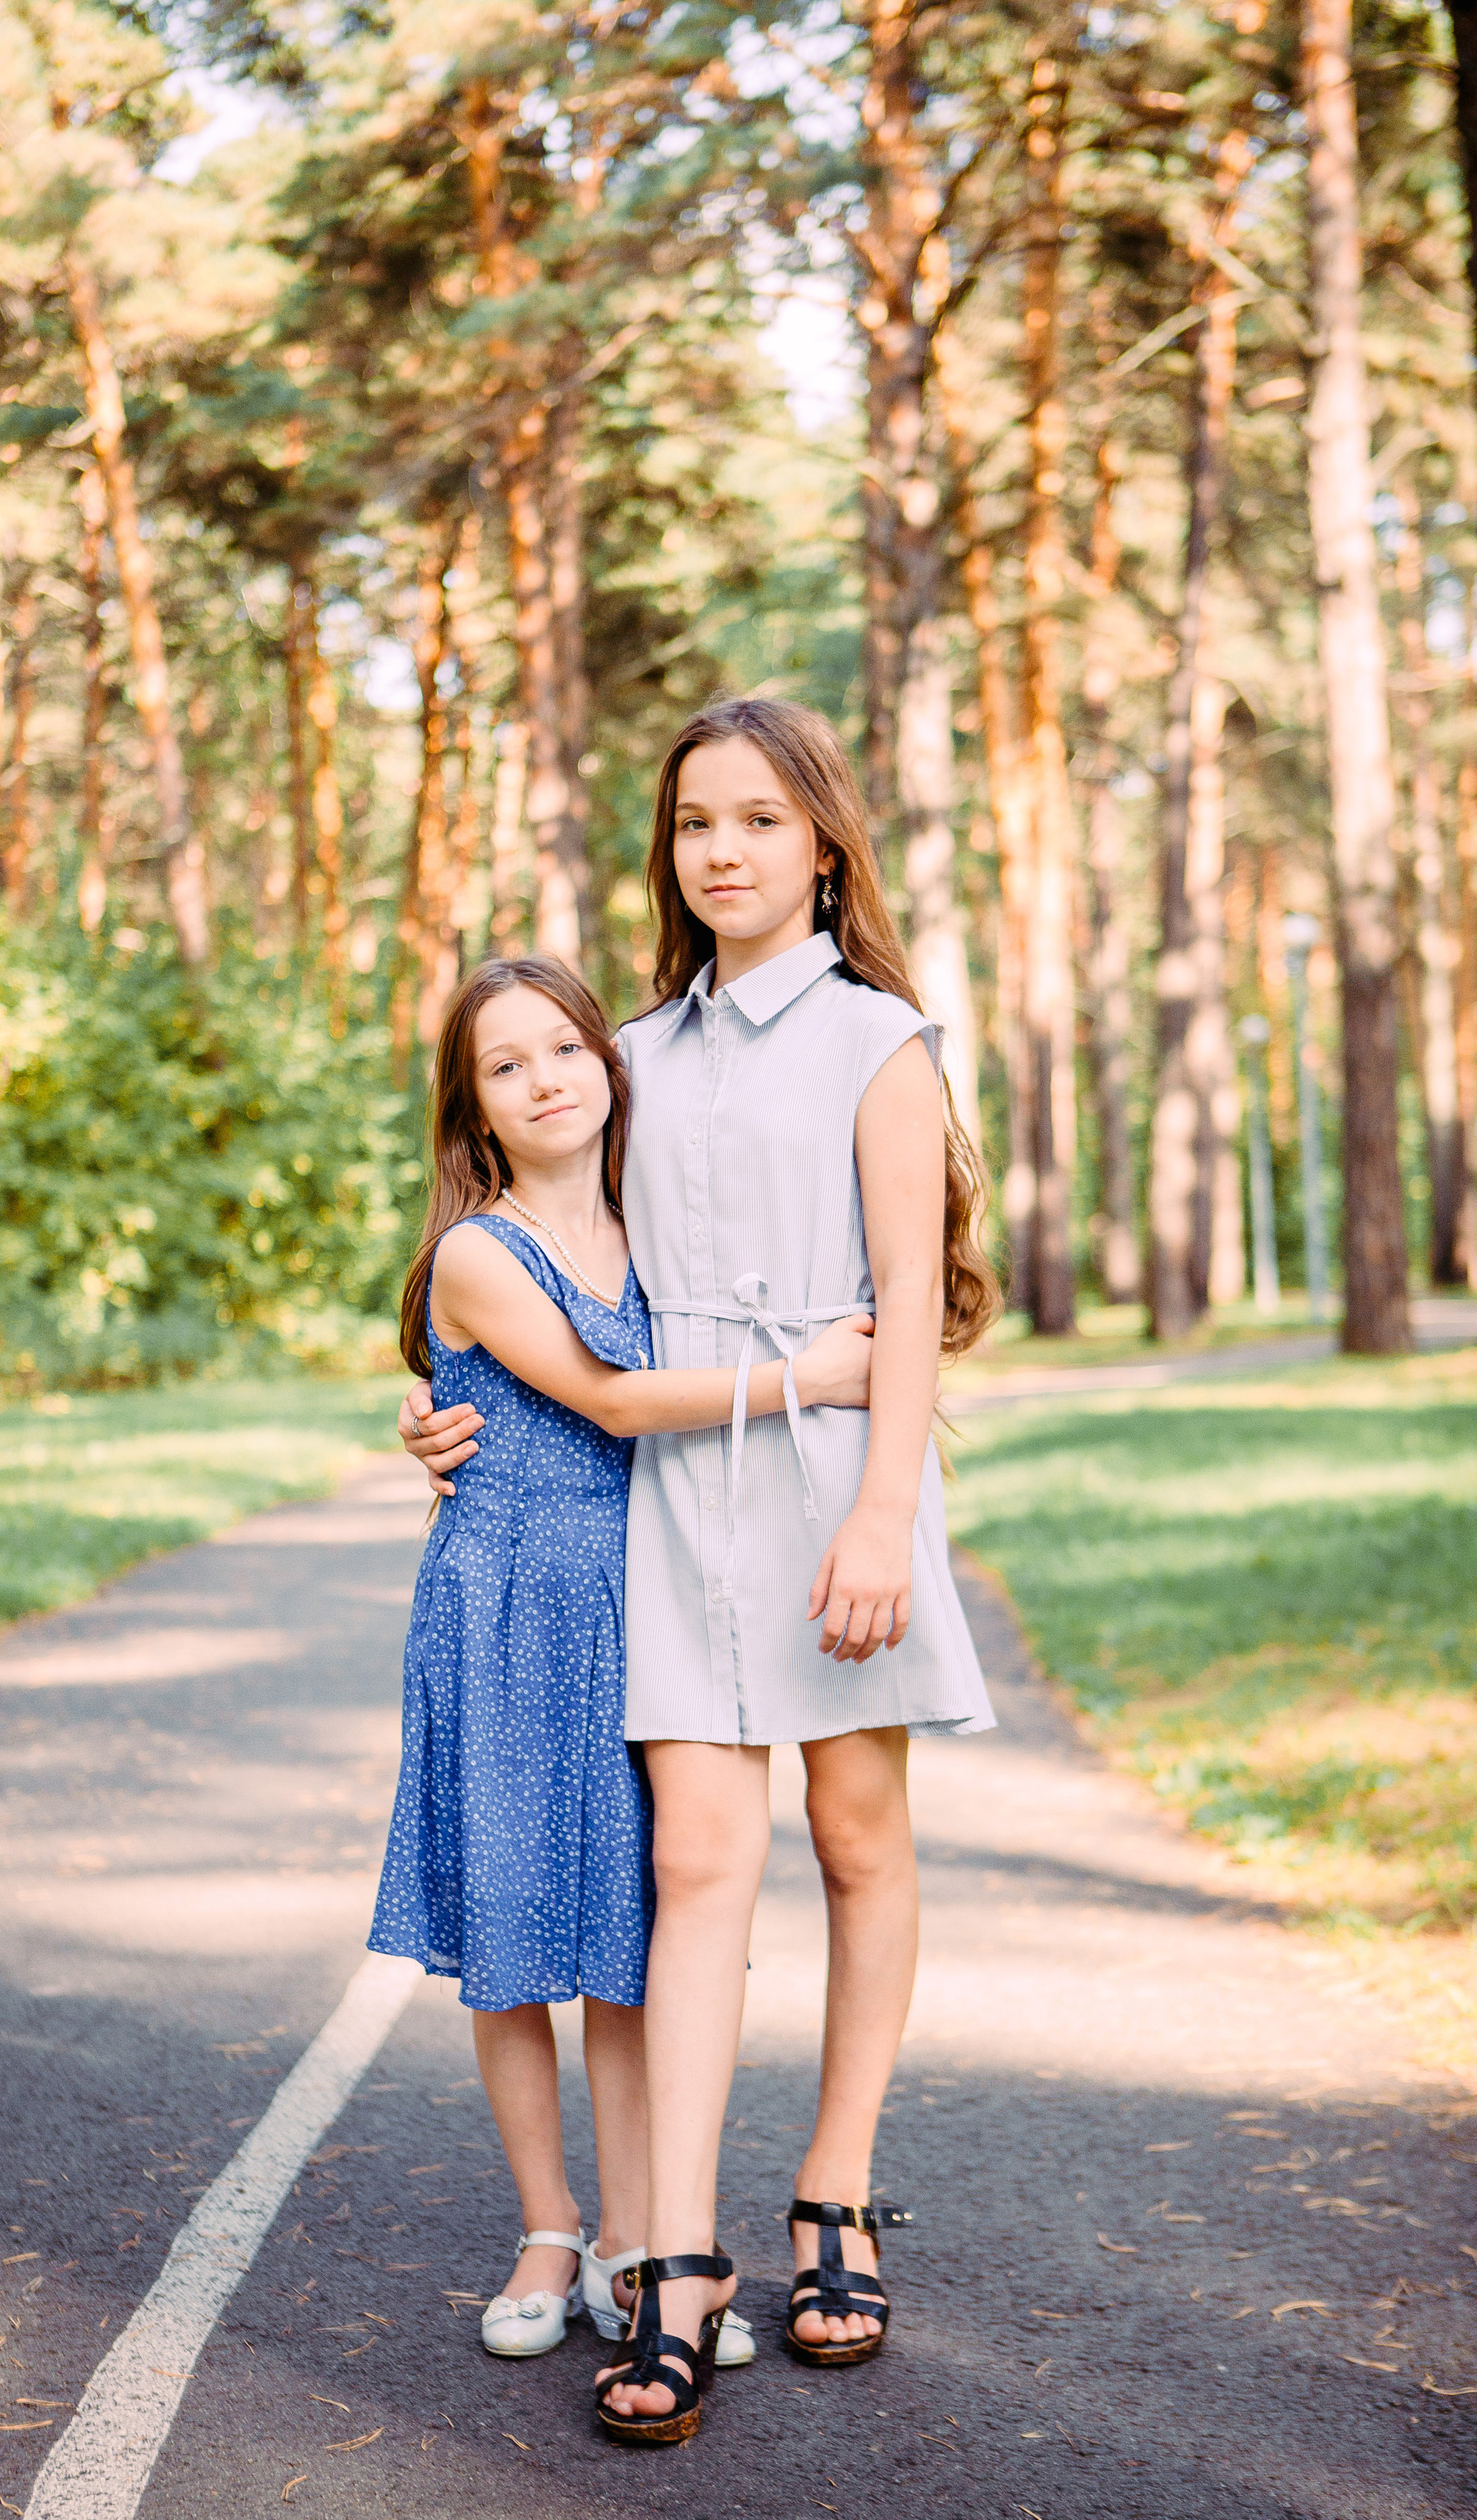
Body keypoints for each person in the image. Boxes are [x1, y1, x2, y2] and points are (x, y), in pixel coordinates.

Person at [403, 696, 999, 2446]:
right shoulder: (636, 1049)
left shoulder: (883, 1044)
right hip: (673, 1490)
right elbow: (552, 1263)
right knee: (698, 1855)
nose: (721, 850)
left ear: (823, 842)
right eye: (691, 825)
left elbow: (905, 1307)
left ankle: (834, 2194)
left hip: (832, 1478)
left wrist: (883, 1514)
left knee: (857, 1832)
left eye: (756, 819)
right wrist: (439, 1422)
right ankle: (680, 2257)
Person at [368, 950, 877, 2366]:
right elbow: (607, 1397)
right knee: (519, 1938)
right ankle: (548, 2222)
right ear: (470, 1108)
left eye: (562, 1050)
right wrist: (810, 1378)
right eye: (504, 1066)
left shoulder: (657, 1228)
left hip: (646, 1595)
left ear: (609, 1063)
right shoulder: (479, 1249)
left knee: (627, 1942)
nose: (543, 1082)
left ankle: (646, 2245)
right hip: (514, 1604)